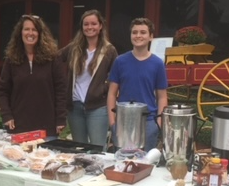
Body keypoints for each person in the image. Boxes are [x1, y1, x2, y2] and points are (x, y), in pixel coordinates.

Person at [0, 14, 67, 140]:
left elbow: (61, 90)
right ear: (20, 32)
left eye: (34, 29)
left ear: (40, 33)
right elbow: (3, 91)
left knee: (45, 159)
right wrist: (6, 115)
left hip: (47, 128)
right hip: (18, 127)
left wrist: (60, 118)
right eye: (27, 29)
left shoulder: (53, 58)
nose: (30, 33)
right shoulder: (11, 59)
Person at [107, 17, 168, 152]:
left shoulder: (157, 64)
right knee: (122, 163)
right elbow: (112, 93)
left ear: (151, 37)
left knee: (145, 163)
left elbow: (162, 96)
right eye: (134, 32)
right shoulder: (120, 61)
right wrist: (112, 122)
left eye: (143, 32)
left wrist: (158, 123)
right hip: (123, 122)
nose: (138, 36)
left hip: (148, 121)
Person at [59, 9, 117, 149]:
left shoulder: (109, 50)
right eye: (86, 24)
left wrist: (103, 89)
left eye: (93, 24)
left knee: (97, 148)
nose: (89, 27)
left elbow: (116, 76)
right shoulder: (74, 48)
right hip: (75, 107)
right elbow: (54, 59)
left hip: (97, 107)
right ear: (82, 27)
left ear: (100, 26)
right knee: (79, 148)